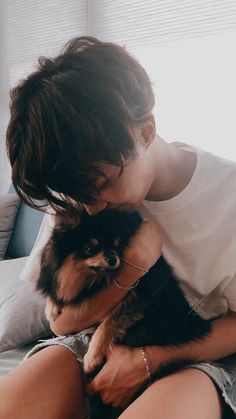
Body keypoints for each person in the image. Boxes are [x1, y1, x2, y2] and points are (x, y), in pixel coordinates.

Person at [1, 36, 236, 419]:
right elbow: (60, 321)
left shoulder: (228, 196)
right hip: (96, 339)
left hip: (199, 351)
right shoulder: (79, 190)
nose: (92, 207)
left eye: (102, 185)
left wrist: (151, 359)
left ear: (144, 133)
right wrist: (134, 266)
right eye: (79, 194)